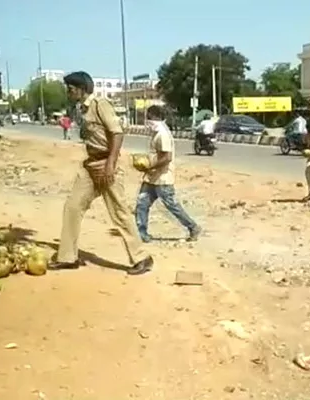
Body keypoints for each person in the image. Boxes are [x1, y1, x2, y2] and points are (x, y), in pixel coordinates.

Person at [51, 71, 153, 275]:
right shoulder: (81, 108)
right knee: (73, 206)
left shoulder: (100, 104)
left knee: (119, 212)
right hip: (90, 166)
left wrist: (110, 163)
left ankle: (142, 257)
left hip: (107, 163)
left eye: (71, 89)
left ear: (81, 89)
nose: (68, 93)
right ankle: (68, 256)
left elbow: (117, 133)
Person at [135, 105, 202, 243]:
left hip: (163, 178)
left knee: (172, 206)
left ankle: (193, 227)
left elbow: (167, 157)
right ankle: (141, 234)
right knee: (142, 204)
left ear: (155, 117)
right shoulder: (156, 133)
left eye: (148, 117)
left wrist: (149, 165)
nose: (147, 120)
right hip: (152, 177)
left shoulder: (162, 134)